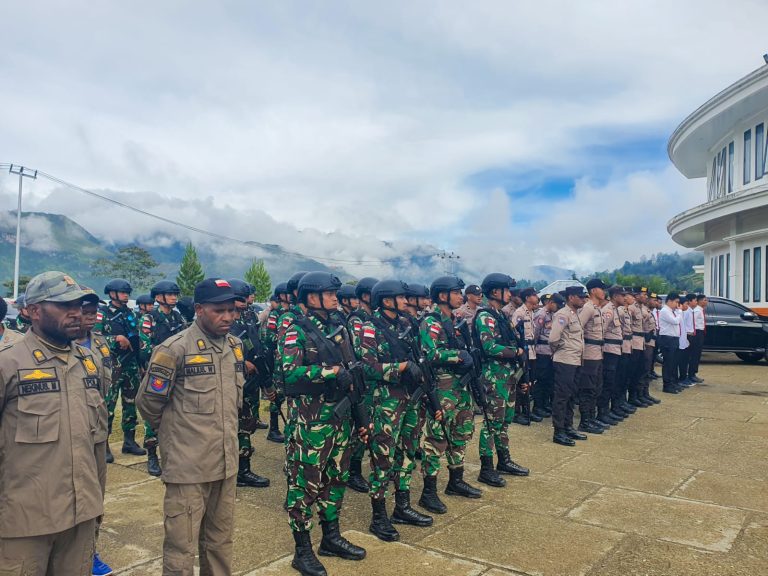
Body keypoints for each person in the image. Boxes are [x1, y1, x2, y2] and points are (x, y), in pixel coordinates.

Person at [0, 272, 107, 575]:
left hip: (81, 515)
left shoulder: (89, 361)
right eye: (64, 306)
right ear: (33, 310)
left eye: (79, 305)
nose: (76, 313)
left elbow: (96, 442)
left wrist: (96, 503)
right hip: (24, 522)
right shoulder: (8, 363)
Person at [136, 278, 245, 575]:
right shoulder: (174, 349)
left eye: (232, 310)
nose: (228, 317)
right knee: (181, 548)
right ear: (199, 309)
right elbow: (148, 403)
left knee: (220, 541)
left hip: (225, 462)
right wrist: (177, 436)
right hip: (188, 466)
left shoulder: (235, 346)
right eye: (219, 310)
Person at [280, 272, 368, 575]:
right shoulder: (295, 331)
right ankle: (301, 549)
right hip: (311, 423)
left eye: (335, 293)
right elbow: (289, 375)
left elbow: (353, 369)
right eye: (329, 293)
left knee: (335, 478)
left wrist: (360, 415)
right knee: (304, 484)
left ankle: (331, 537)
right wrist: (330, 373)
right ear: (311, 297)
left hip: (340, 419)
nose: (335, 297)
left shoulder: (339, 327)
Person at [360, 279, 420, 542]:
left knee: (407, 451)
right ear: (386, 301)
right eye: (401, 297)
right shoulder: (370, 327)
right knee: (382, 457)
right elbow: (368, 367)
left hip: (408, 399)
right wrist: (403, 368)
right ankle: (379, 515)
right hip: (384, 401)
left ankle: (402, 506)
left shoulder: (405, 324)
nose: (406, 301)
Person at [473, 274, 530, 480]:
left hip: (509, 377)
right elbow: (489, 347)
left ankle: (504, 460)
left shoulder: (502, 316)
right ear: (495, 292)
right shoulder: (485, 316)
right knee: (492, 423)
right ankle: (486, 468)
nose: (510, 293)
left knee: (505, 421)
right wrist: (515, 353)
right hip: (494, 377)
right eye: (507, 290)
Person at [75, 288, 114, 576]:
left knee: (94, 498)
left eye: (92, 313)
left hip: (97, 432)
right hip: (66, 434)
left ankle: (90, 552)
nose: (89, 318)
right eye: (84, 312)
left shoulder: (100, 344)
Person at [94, 278, 148, 460]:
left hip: (131, 364)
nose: (126, 295)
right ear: (112, 294)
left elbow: (137, 338)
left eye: (127, 292)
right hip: (112, 363)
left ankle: (129, 441)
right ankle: (104, 445)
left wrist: (140, 364)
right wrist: (115, 337)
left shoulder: (130, 313)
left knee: (131, 403)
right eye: (123, 292)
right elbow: (95, 337)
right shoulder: (102, 313)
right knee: (108, 405)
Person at [140, 281, 189, 477]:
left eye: (175, 294)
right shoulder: (149, 318)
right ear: (158, 297)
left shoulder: (179, 317)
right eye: (169, 294)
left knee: (177, 410)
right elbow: (144, 346)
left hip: (177, 372)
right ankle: (152, 454)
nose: (174, 297)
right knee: (155, 409)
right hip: (158, 370)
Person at [229, 279, 273, 488]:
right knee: (239, 426)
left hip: (250, 381)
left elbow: (256, 345)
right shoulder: (226, 319)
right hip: (233, 382)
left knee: (247, 424)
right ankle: (241, 470)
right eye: (245, 297)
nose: (249, 299)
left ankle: (240, 465)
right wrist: (241, 361)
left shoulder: (248, 317)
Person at [549, 285, 588, 447]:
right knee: (562, 396)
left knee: (572, 395)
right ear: (571, 297)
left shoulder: (575, 314)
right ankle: (559, 431)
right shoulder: (562, 314)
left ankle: (568, 426)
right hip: (565, 360)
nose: (583, 300)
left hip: (575, 360)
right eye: (580, 297)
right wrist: (561, 350)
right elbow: (553, 339)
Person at [576, 279, 607, 434]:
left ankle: (592, 419)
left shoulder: (597, 308)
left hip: (597, 353)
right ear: (594, 290)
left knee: (596, 387)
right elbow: (577, 329)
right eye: (602, 289)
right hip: (589, 354)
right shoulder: (587, 308)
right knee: (587, 388)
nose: (604, 292)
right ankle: (585, 421)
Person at [511, 287, 541, 425]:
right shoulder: (519, 312)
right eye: (534, 295)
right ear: (528, 297)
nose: (536, 297)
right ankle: (517, 412)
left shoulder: (531, 313)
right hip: (523, 350)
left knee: (530, 381)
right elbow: (514, 333)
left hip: (532, 350)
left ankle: (527, 410)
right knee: (521, 381)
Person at [599, 286, 626, 427]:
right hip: (609, 350)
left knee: (612, 381)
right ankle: (602, 412)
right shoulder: (608, 311)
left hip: (616, 349)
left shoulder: (615, 309)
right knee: (607, 382)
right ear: (615, 296)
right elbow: (600, 331)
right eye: (622, 295)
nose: (625, 298)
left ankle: (607, 410)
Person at [532, 293, 562, 419]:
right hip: (541, 351)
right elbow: (535, 333)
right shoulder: (541, 314)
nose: (558, 307)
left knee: (549, 380)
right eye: (557, 304)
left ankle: (544, 404)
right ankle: (538, 407)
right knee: (540, 380)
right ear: (550, 302)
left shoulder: (552, 315)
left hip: (550, 351)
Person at [658, 293, 683, 394]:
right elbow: (675, 321)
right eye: (676, 302)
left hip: (674, 338)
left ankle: (672, 383)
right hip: (667, 339)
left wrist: (678, 311)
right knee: (668, 363)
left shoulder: (673, 311)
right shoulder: (665, 311)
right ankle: (667, 385)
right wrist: (680, 311)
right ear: (669, 301)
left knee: (673, 363)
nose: (677, 304)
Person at [688, 294, 707, 383]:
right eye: (705, 300)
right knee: (694, 354)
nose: (706, 302)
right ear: (699, 301)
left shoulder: (701, 310)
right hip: (696, 333)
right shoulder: (696, 311)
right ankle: (691, 374)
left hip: (700, 332)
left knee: (697, 354)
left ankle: (693, 373)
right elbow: (692, 322)